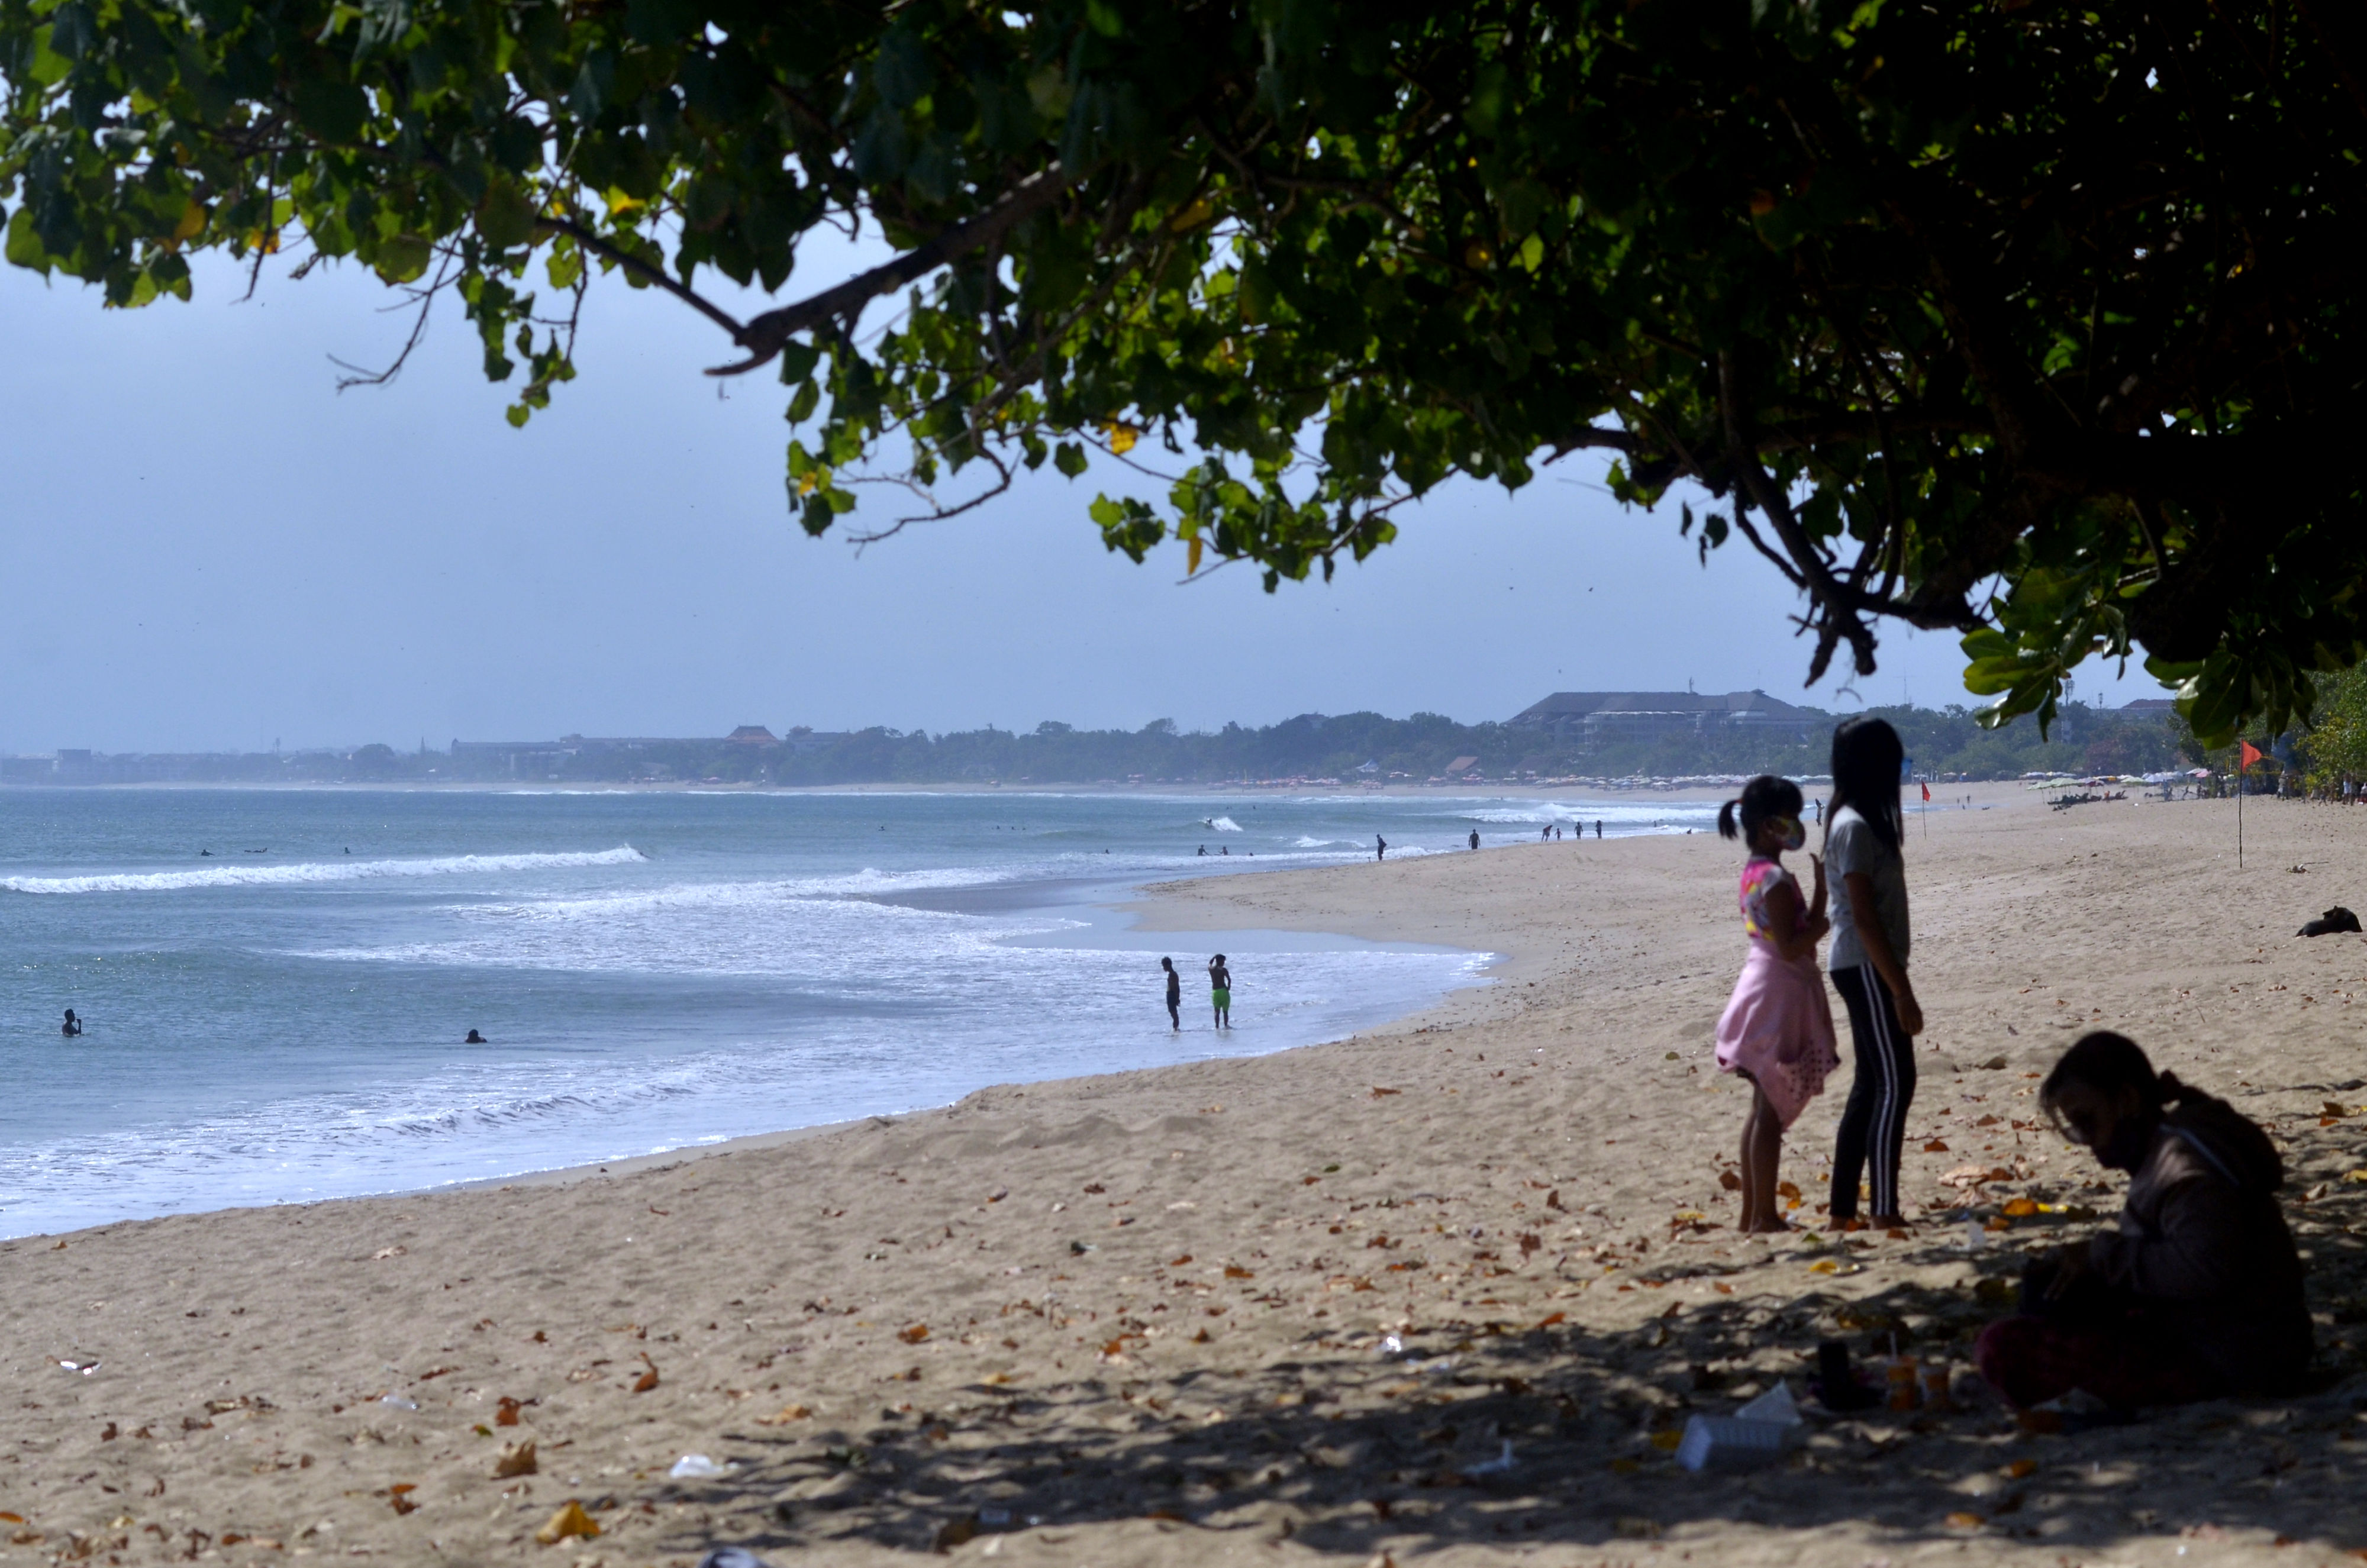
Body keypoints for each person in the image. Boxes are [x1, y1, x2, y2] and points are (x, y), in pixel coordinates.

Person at [1975, 1032, 2312, 1409]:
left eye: (2087, 1122)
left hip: (2235, 1358)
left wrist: (2104, 1257)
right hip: (2233, 1344)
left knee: (2003, 1348)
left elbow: (2207, 1268)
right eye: (2075, 1130)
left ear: (2128, 1101)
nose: (2086, 1141)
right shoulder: (2167, 1151)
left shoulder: (2182, 1165)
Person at [1713, 777, 1837, 1232]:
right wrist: (1828, 924)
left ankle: (1753, 1215)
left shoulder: (1756, 871)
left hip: (1764, 985)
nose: (1797, 826)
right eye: (1791, 817)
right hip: (1778, 993)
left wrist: (1822, 887)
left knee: (1760, 1110)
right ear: (1770, 825)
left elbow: (1798, 928)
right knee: (1768, 1115)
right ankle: (1764, 1215)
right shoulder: (1776, 880)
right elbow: (1792, 944)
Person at [1824, 716, 1919, 1230]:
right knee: (1896, 1082)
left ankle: (1843, 1212)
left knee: (1871, 1083)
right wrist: (1900, 991)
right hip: (1864, 965)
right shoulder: (1855, 828)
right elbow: (1863, 917)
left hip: (1864, 964)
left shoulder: (1856, 822)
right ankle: (1883, 1209)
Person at [1208, 955, 1233, 1029]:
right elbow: (1229, 979)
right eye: (1223, 961)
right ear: (1220, 961)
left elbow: (1209, 964)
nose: (1224, 963)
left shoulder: (1212, 969)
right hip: (1223, 991)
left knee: (1217, 1011)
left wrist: (1213, 958)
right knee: (1225, 1012)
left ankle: (1217, 1027)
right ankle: (1226, 1026)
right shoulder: (1223, 970)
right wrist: (1229, 987)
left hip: (1215, 992)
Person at [1160, 957, 1182, 1031]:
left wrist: (1177, 998)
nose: (1164, 968)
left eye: (1164, 966)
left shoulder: (1173, 975)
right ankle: (1175, 1029)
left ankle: (1175, 1029)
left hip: (1172, 995)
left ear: (1168, 965)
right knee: (1173, 1013)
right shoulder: (1171, 974)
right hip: (1171, 995)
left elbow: (1176, 988)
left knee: (1174, 1014)